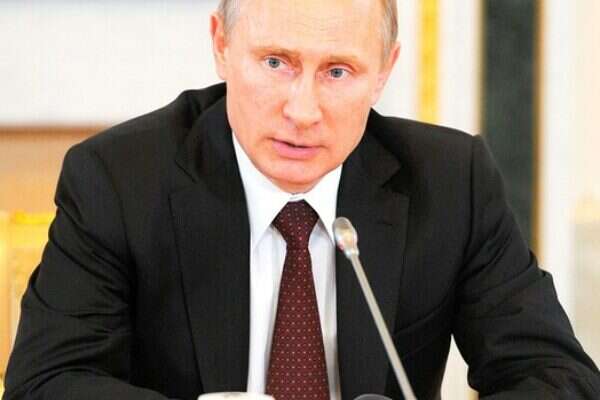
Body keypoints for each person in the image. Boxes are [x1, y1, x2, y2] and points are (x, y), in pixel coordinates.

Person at [3, 0, 600, 399]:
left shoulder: (451, 183)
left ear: (384, 70)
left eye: (338, 72)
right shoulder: (118, 180)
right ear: (221, 44)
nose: (303, 111)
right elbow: (45, 382)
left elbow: (560, 378)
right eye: (276, 63)